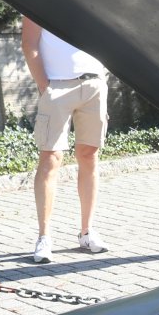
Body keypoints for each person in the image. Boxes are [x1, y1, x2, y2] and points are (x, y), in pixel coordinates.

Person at [22, 16, 109, 263]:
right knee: (50, 158)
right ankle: (44, 237)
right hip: (57, 86)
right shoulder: (38, 0)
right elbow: (29, 44)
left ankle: (87, 231)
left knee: (89, 156)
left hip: (94, 83)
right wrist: (45, 86)